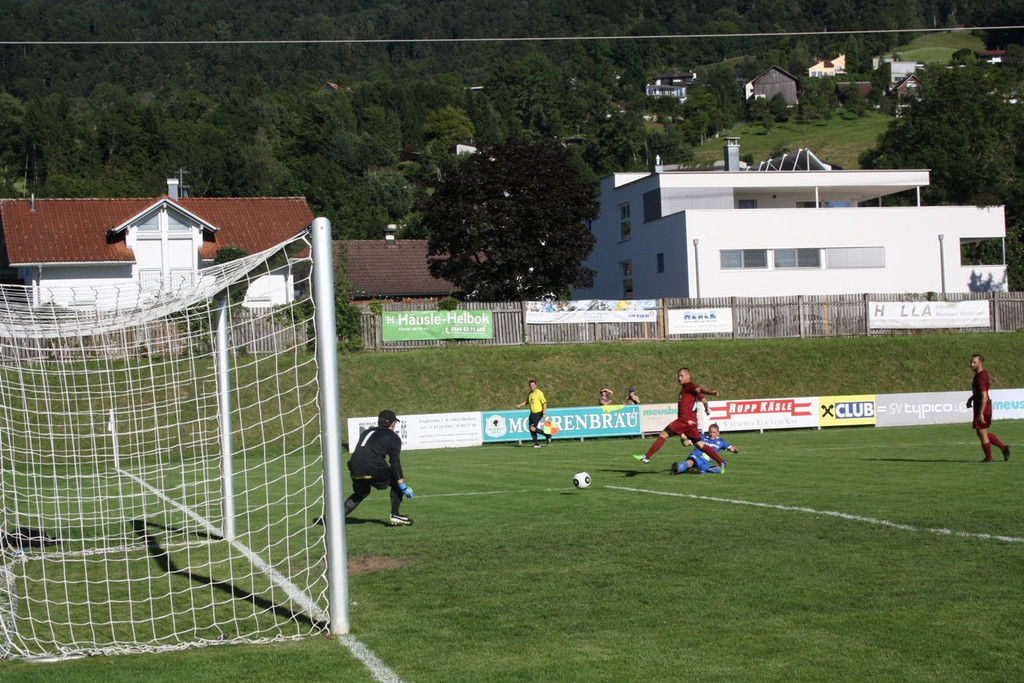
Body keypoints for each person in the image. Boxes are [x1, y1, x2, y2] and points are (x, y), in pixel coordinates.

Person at [632, 367, 726, 468]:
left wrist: (711, 392)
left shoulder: (690, 385)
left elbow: (700, 390)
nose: (679, 378)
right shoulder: (686, 389)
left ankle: (647, 456)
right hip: (692, 423)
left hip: (684, 420)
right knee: (700, 445)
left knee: (663, 435)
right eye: (678, 376)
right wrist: (707, 409)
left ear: (688, 376)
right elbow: (703, 399)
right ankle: (721, 462)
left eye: (681, 376)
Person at [344, 409, 415, 525]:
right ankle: (395, 515)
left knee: (362, 492)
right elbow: (395, 462)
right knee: (396, 481)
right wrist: (402, 485)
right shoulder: (393, 437)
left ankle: (333, 519)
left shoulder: (367, 432)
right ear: (392, 424)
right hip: (371, 466)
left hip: (354, 465)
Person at [968, 354, 1010, 463]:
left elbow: (984, 395)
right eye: (971, 362)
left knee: (982, 432)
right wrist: (971, 399)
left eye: (974, 362)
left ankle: (989, 458)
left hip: (983, 408)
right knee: (981, 432)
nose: (971, 364)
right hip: (981, 407)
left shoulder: (981, 377)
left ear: (980, 363)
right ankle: (1004, 448)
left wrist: (981, 413)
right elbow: (979, 393)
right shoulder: (981, 374)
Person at [671, 424, 738, 474]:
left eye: (714, 432)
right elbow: (686, 443)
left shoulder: (721, 442)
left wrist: (734, 449)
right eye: (710, 432)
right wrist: (683, 438)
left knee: (720, 467)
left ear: (718, 433)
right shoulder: (702, 437)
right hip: (695, 456)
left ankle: (699, 471)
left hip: (704, 462)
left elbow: (733, 449)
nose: (711, 434)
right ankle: (676, 470)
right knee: (690, 462)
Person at [515, 379, 550, 447]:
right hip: (532, 413)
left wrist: (544, 413)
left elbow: (544, 403)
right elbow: (527, 401)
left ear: (535, 385)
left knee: (532, 428)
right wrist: (520, 405)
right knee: (531, 429)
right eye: (530, 385)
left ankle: (547, 435)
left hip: (538, 412)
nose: (531, 386)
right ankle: (537, 444)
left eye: (533, 385)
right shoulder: (530, 393)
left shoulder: (539, 393)